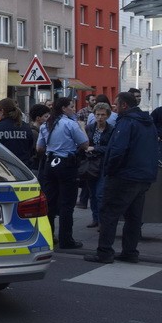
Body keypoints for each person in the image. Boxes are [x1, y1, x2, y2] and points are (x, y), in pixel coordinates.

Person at [85, 91, 159, 264]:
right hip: (143, 176)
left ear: (124, 105)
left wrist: (109, 170)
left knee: (109, 214)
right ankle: (130, 252)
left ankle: (104, 252)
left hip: (124, 176)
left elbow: (118, 150)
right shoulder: (148, 123)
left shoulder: (126, 122)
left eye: (116, 105)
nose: (115, 108)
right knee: (134, 217)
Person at [35, 97, 88, 250]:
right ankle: (66, 239)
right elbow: (84, 144)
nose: (73, 109)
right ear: (64, 108)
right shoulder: (70, 124)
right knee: (67, 203)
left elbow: (39, 148)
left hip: (49, 164)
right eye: (71, 106)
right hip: (66, 164)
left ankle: (49, 236)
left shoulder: (46, 124)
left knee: (50, 202)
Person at [83, 102, 114, 228]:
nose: (100, 117)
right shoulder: (90, 127)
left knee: (100, 193)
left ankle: (102, 221)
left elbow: (111, 148)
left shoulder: (111, 129)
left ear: (107, 116)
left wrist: (94, 148)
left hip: (104, 164)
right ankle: (95, 218)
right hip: (90, 164)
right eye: (97, 114)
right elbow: (84, 143)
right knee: (92, 193)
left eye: (103, 115)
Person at [0, 98, 35, 168]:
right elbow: (30, 148)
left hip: (2, 169)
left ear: (2, 111)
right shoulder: (26, 128)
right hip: (23, 169)